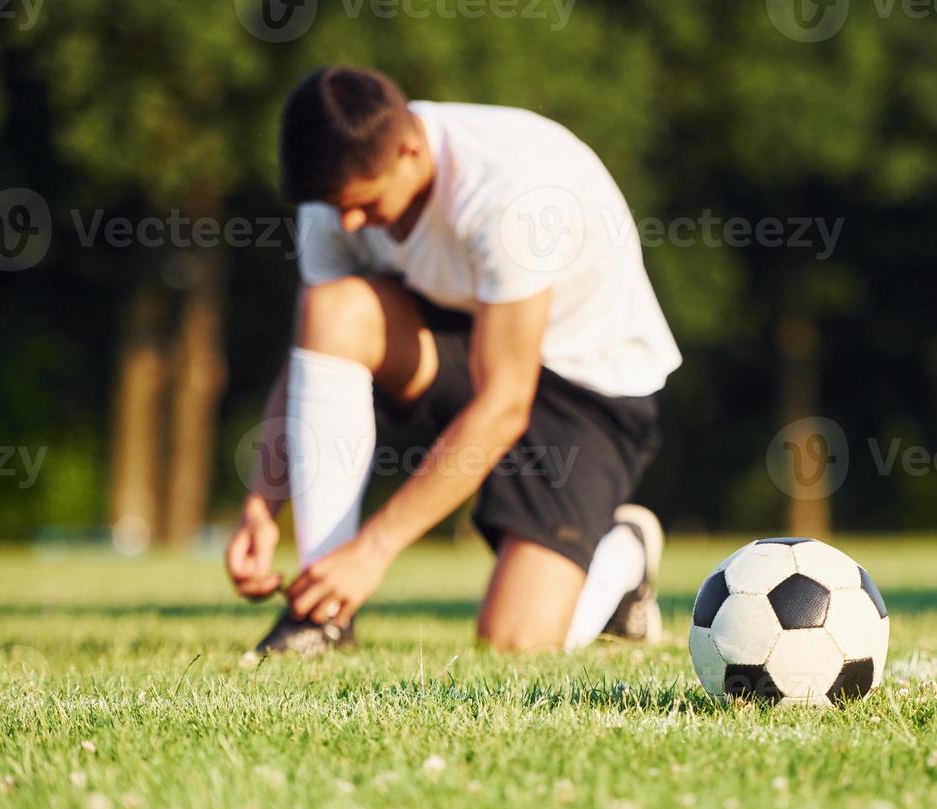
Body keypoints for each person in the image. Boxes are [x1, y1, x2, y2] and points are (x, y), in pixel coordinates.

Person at [225, 66, 681, 655]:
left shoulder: (510, 192)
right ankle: (322, 618)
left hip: (587, 386)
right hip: (475, 351)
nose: (350, 225)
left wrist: (374, 550)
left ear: (411, 150)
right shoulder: (336, 199)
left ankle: (623, 553)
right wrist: (262, 505)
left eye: (364, 206)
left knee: (515, 641)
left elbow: (506, 404)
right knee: (331, 306)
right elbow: (313, 348)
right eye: (338, 209)